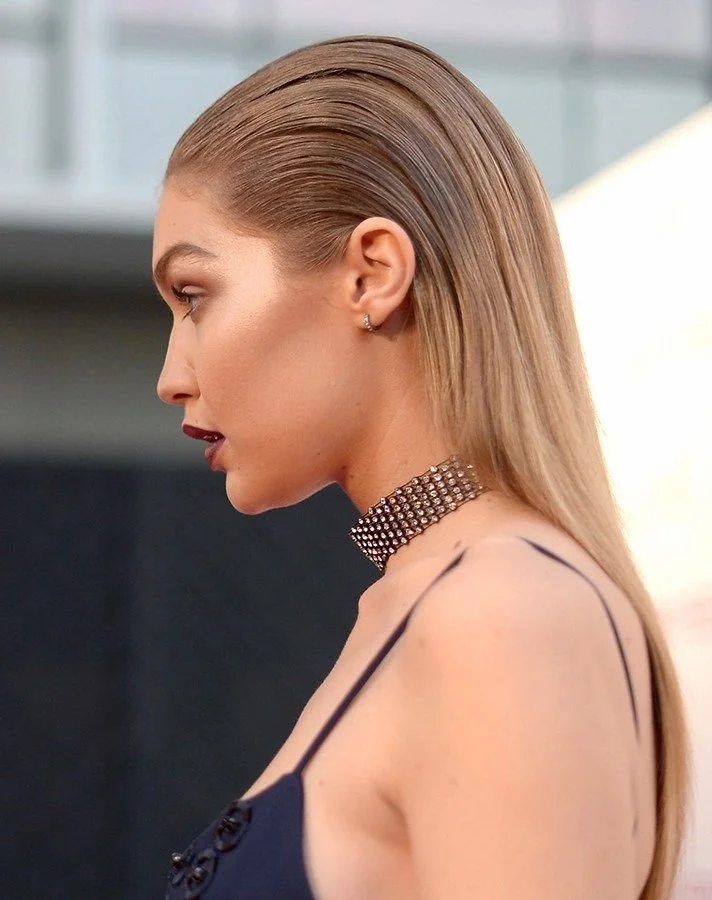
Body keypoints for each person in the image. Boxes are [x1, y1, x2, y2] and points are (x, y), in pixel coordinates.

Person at [153, 35, 687, 900]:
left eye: (193, 296)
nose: (171, 376)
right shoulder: (444, 598)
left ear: (373, 274)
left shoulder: (502, 613)